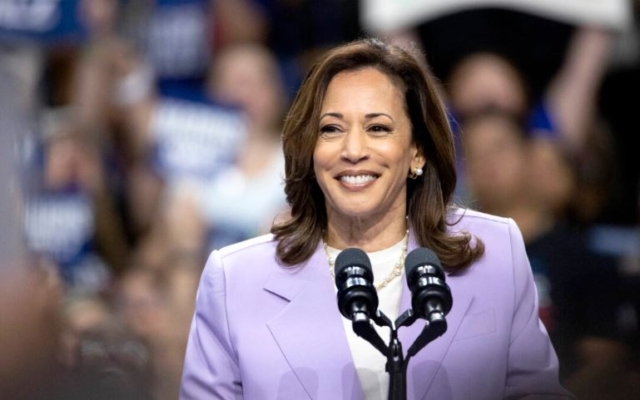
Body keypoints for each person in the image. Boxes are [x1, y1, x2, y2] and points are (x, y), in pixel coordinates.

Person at [179, 38, 573, 399]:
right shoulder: (234, 280)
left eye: (377, 128)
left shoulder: (494, 254)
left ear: (417, 150)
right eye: (331, 129)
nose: (353, 149)